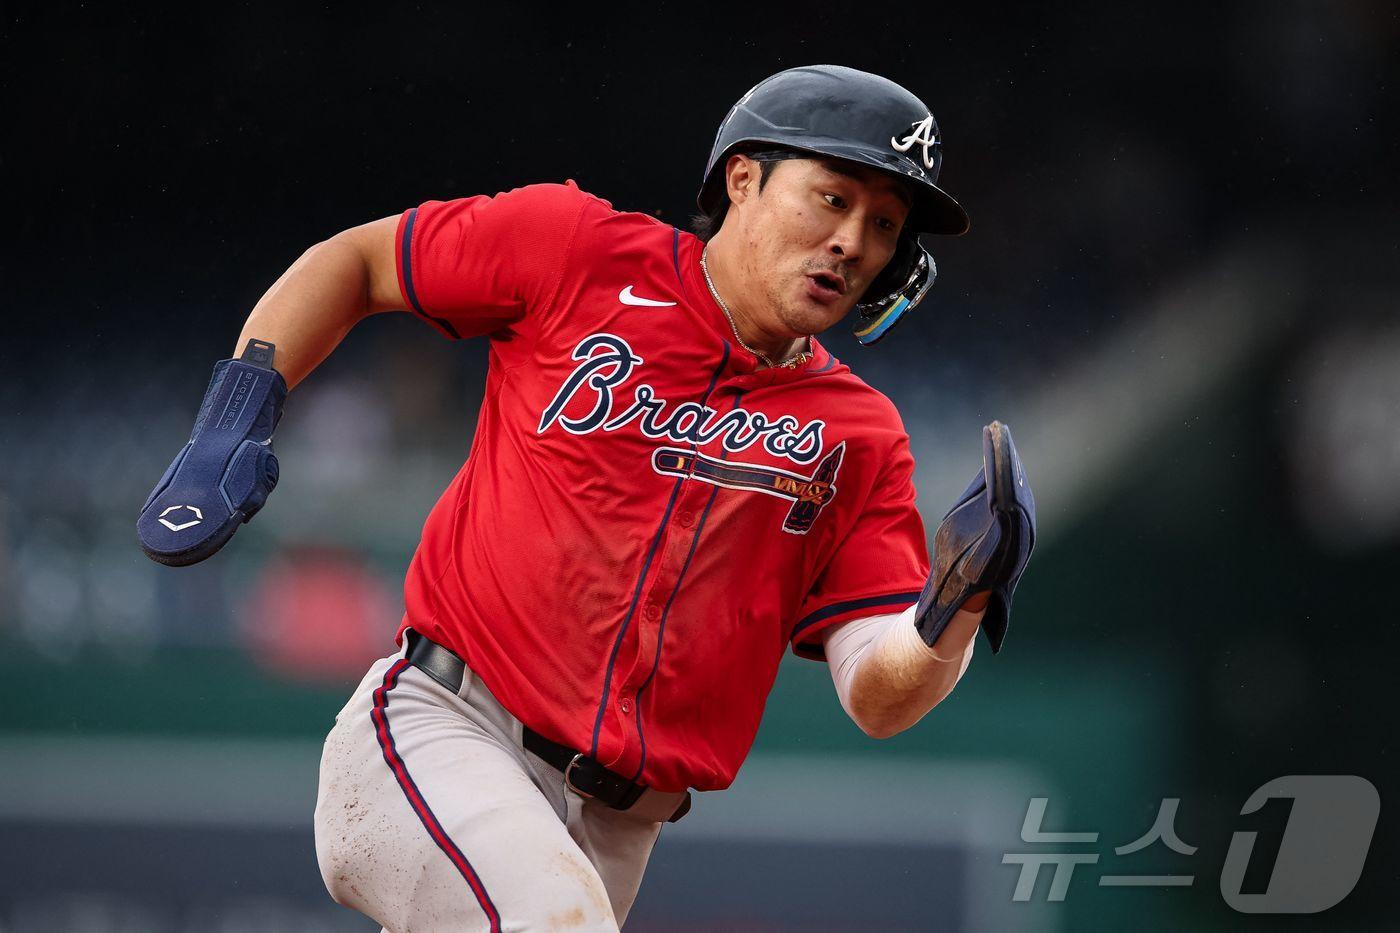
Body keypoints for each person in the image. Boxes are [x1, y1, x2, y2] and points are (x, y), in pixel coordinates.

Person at [137, 64, 1036, 932]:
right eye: (833, 199)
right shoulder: (578, 251)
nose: (853, 241)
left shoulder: (861, 432)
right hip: (443, 729)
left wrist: (954, 606)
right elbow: (362, 261)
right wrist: (234, 418)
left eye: (884, 223)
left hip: (616, 830)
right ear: (744, 178)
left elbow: (877, 694)